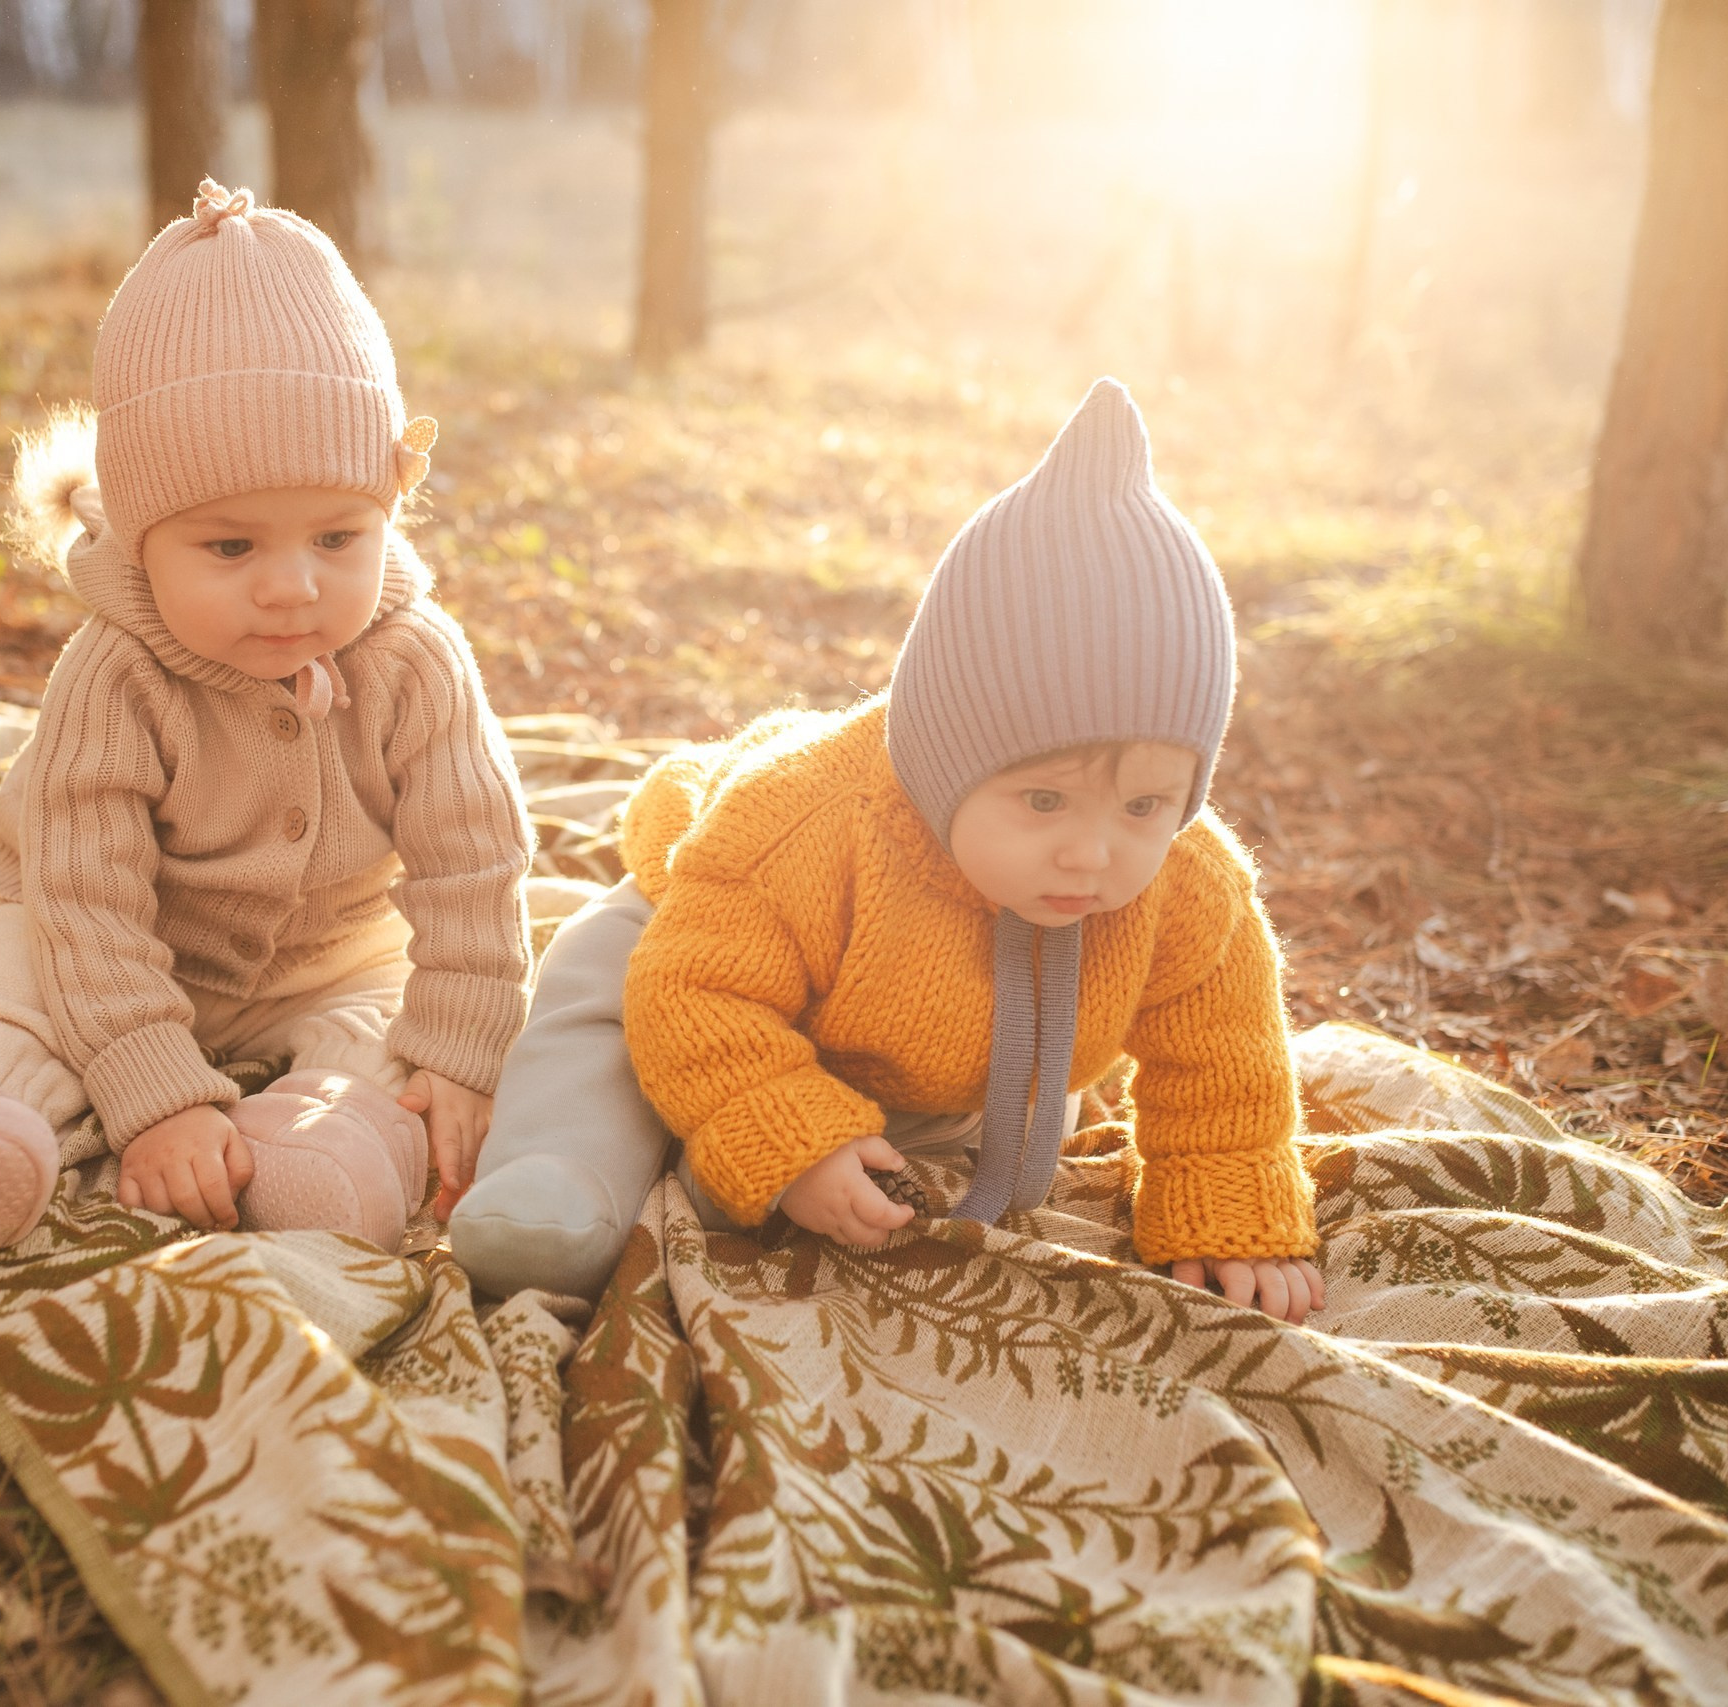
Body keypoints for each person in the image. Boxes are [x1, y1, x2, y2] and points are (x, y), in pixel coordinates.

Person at [451, 378, 1324, 1324]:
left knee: (1023, 1096)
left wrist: (1229, 1204)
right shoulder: (804, 823)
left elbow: (1222, 1058)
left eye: (1147, 803)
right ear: (944, 763)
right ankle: (559, 1175)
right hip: (699, 949)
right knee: (604, 1001)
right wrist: (789, 1136)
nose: (1092, 854)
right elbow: (696, 992)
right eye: (1043, 799)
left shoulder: (1190, 886)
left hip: (945, 1052)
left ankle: (799, 1125)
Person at [0, 181, 533, 1300]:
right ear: (139, 534)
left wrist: (463, 1054)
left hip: (321, 952)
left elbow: (476, 861)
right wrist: (156, 1092)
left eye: (336, 535)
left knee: (392, 1015)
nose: (291, 587)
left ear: (391, 505)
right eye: (229, 547)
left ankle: (335, 1142)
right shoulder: (116, 674)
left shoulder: (415, 660)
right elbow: (84, 900)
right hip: (88, 936)